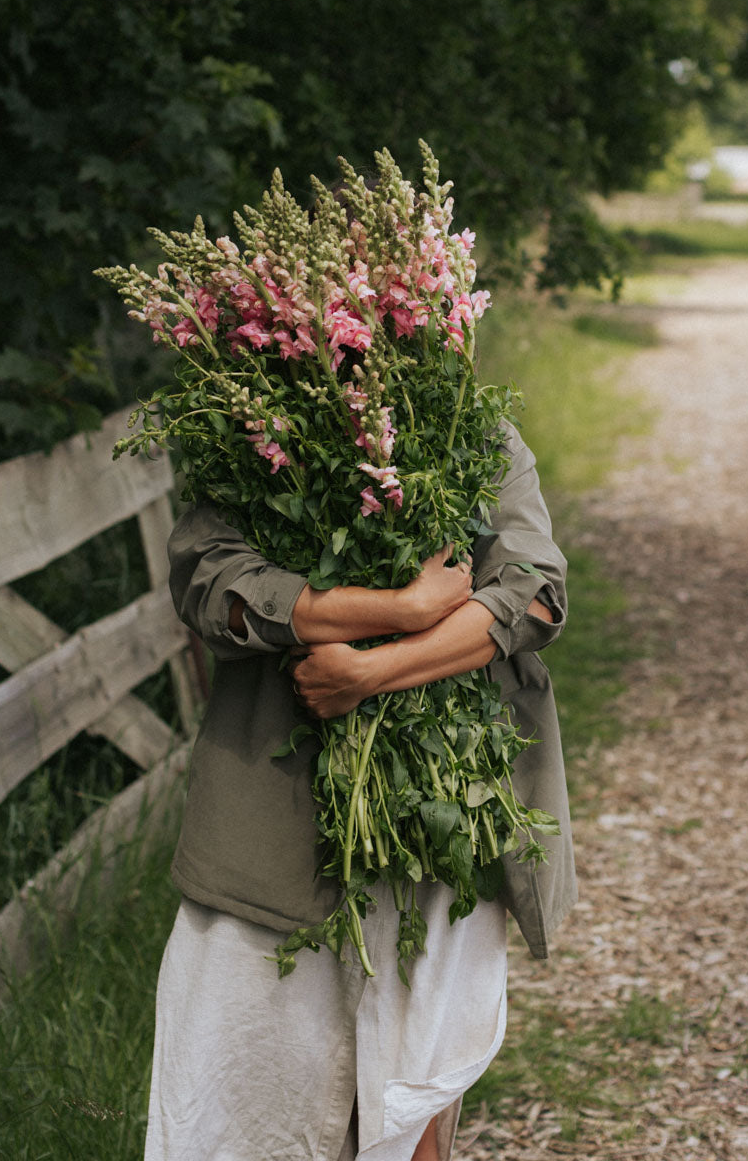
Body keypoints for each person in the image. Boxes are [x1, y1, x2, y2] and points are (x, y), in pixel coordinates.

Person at [144, 420, 575, 1161]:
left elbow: (535, 594)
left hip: (434, 824)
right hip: (266, 822)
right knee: (243, 1090)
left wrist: (371, 674)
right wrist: (399, 608)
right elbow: (211, 582)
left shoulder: (471, 429)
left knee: (410, 1096)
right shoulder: (259, 430)